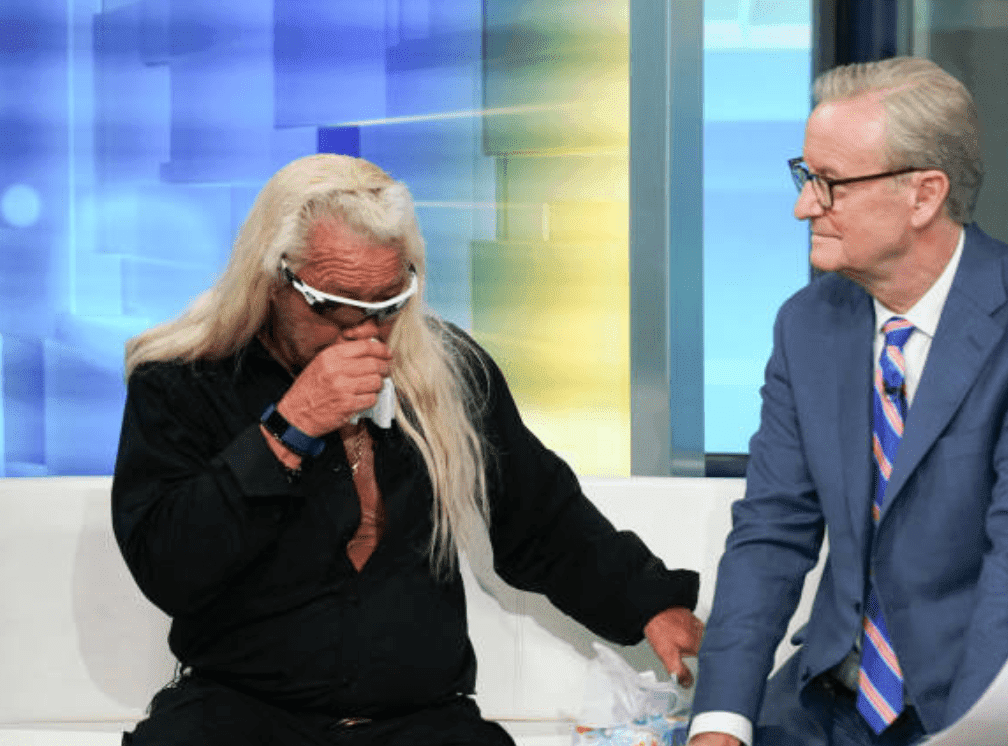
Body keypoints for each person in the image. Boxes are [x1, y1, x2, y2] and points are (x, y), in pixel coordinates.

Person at [112, 153, 702, 746]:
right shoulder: (182, 378)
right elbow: (169, 568)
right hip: (241, 711)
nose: (365, 332)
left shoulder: (446, 369)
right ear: (273, 279)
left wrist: (649, 604)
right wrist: (289, 427)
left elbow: (540, 517)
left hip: (418, 720)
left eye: (387, 304)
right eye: (337, 306)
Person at [687, 57, 1008, 746]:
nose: (803, 205)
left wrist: (969, 734)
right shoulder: (807, 324)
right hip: (825, 702)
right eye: (804, 175)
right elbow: (772, 530)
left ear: (924, 194)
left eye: (830, 184)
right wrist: (718, 722)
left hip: (971, 706)